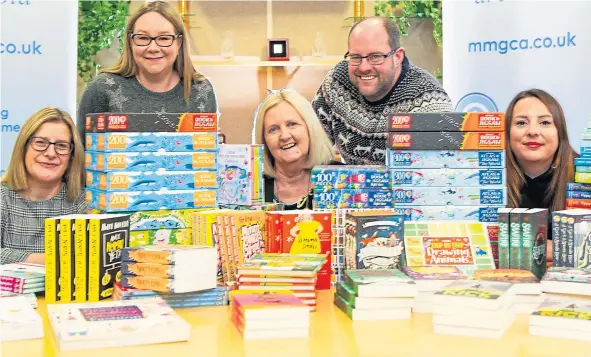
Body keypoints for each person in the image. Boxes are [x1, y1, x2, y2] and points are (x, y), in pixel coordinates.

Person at [312, 17, 452, 165]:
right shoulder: (337, 81)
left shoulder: (428, 100)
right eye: (355, 57)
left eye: (375, 57)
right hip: (350, 185)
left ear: (398, 57)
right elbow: (312, 143)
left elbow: (436, 174)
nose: (364, 67)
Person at [77, 0, 218, 141]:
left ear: (178, 42)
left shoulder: (201, 90)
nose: (153, 48)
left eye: (164, 38)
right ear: (130, 42)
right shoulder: (102, 88)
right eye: (143, 38)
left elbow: (207, 153)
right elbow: (80, 155)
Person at [1, 108, 87, 265]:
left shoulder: (84, 201)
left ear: (72, 155)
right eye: (41, 143)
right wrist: (49, 260)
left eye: (61, 145)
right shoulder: (3, 197)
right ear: (23, 147)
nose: (50, 153)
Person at [505, 88, 578, 264]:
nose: (533, 131)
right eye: (521, 123)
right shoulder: (488, 178)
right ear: (507, 133)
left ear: (560, 132)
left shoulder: (583, 175)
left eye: (545, 123)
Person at [253, 89, 336, 210]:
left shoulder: (339, 178)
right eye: (273, 129)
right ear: (264, 140)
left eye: (292, 124)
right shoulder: (251, 188)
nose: (284, 136)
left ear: (310, 129)